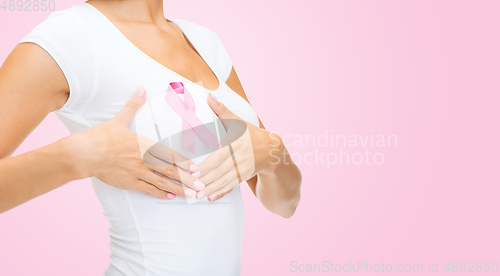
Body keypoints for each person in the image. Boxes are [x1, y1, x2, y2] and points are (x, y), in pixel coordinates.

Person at [0, 1, 302, 274]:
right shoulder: (67, 38)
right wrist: (79, 156)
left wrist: (273, 151)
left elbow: (283, 205)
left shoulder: (205, 42)